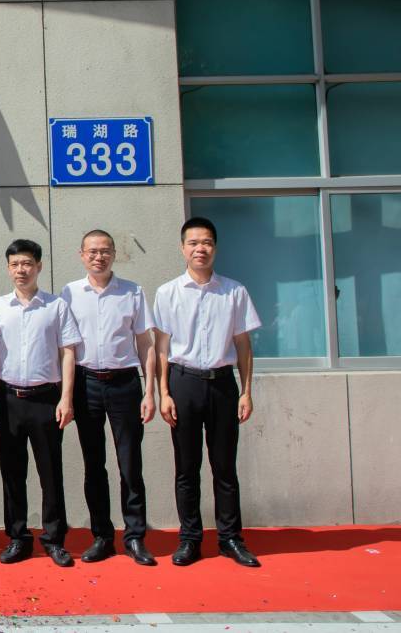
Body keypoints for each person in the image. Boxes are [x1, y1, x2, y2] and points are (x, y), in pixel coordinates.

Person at [154, 217, 262, 568]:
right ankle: (190, 539)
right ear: (182, 248)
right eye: (193, 243)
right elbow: (161, 348)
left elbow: (243, 345)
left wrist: (246, 391)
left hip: (222, 385)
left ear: (215, 247)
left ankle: (230, 539)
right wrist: (163, 392)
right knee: (186, 468)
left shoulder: (234, 291)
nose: (200, 249)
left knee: (225, 467)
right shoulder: (168, 293)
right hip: (183, 383)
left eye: (207, 243)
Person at [60, 230, 158, 566]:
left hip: (124, 384)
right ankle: (101, 536)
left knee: (130, 463)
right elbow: (66, 347)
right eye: (92, 251)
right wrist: (65, 394)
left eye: (105, 251)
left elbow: (145, 343)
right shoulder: (69, 293)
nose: (98, 257)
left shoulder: (132, 292)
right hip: (86, 383)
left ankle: (135, 537)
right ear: (81, 254)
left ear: (114, 254)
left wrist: (149, 391)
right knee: (94, 464)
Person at [0, 239, 82, 567]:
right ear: (8, 268)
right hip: (8, 398)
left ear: (39, 266)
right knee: (12, 472)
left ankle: (54, 539)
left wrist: (66, 398)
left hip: (46, 399)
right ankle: (18, 538)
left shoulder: (56, 306)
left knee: (50, 472)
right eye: (15, 264)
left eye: (27, 263)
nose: (21, 270)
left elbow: (68, 352)